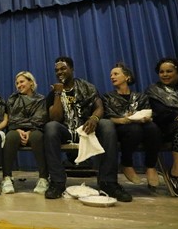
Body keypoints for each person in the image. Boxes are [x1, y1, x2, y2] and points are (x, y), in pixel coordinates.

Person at [44, 56, 132, 202]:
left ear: (72, 69)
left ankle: (108, 183)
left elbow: (99, 107)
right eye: (57, 70)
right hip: (66, 132)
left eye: (63, 68)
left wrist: (94, 118)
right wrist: (58, 94)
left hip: (87, 129)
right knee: (51, 127)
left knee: (107, 125)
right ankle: (57, 182)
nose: (59, 72)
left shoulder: (87, 87)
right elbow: (55, 118)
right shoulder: (54, 93)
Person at [102, 63, 161, 188]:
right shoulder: (108, 97)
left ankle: (151, 166)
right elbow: (108, 117)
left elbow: (148, 112)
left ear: (127, 77)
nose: (112, 77)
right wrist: (124, 120)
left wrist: (145, 118)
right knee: (134, 129)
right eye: (111, 75)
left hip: (141, 126)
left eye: (116, 74)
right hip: (119, 129)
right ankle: (126, 163)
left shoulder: (141, 97)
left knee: (153, 128)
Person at [2, 71, 49, 195]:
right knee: (10, 137)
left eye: (22, 81)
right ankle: (7, 178)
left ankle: (44, 178)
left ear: (31, 82)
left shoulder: (40, 99)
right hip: (16, 130)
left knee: (37, 137)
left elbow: (40, 118)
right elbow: (11, 118)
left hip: (35, 130)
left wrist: (30, 130)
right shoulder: (12, 99)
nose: (19, 85)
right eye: (17, 83)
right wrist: (17, 129)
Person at [146, 58, 178, 197]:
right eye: (162, 72)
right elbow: (160, 114)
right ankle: (176, 173)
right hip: (164, 128)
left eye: (169, 71)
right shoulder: (154, 90)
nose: (165, 74)